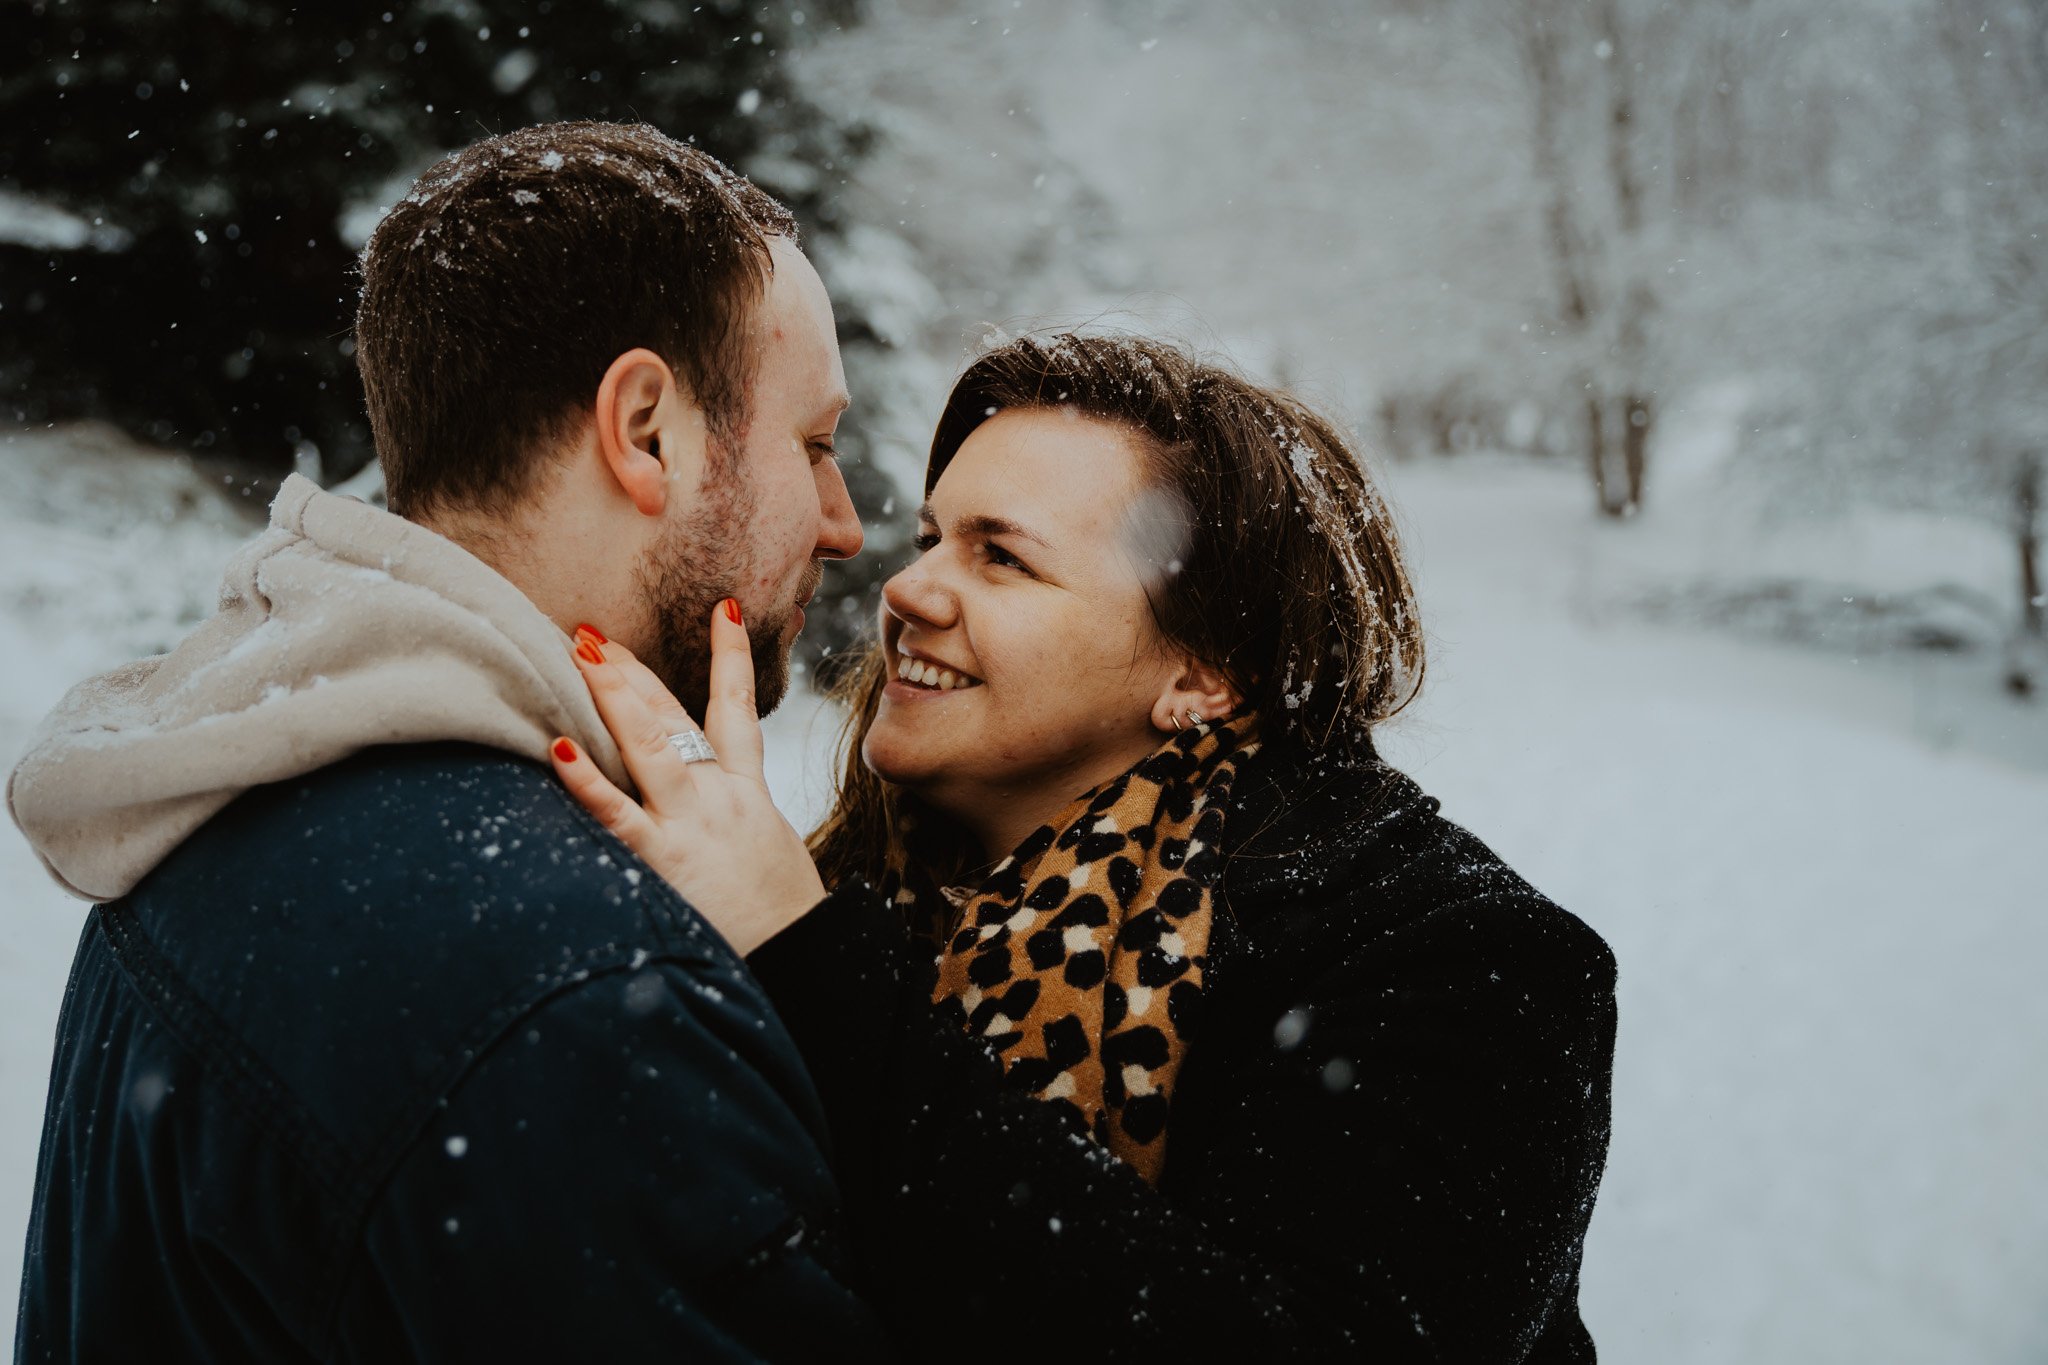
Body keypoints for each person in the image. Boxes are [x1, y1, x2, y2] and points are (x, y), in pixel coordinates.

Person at [555, 332, 1619, 1362]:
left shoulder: (1463, 965)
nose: (909, 591)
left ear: (1203, 672)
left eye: (1001, 558)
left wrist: (805, 959)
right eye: (931, 539)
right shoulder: (850, 899)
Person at [6, 122, 889, 1360]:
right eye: (812, 443)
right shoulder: (579, 992)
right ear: (645, 430)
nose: (846, 524)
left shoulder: (208, 800)